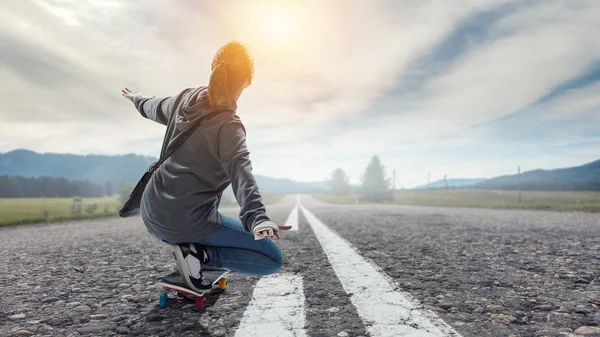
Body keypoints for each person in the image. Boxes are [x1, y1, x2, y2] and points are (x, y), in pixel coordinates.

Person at [121, 41, 291, 292]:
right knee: (271, 260)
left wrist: (135, 97)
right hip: (184, 223)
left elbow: (151, 106)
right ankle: (201, 256)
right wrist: (258, 219)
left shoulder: (184, 99)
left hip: (152, 216)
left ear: (213, 68)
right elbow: (241, 174)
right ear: (248, 80)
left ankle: (195, 253)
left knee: (214, 209)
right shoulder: (229, 126)